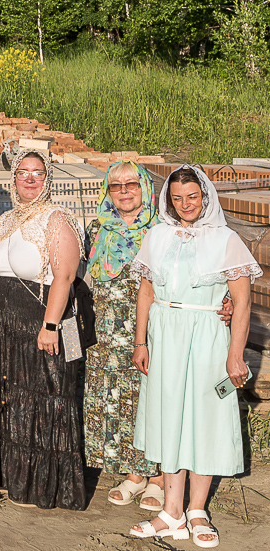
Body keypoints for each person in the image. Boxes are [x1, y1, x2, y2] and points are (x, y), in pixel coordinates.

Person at [129, 166, 260, 547]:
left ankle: (197, 509)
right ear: (168, 199)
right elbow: (146, 293)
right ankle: (171, 511)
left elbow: (242, 301)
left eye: (192, 196)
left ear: (205, 196)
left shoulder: (227, 240)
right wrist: (141, 342)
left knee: (205, 416)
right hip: (165, 333)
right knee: (169, 415)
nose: (185, 205)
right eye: (177, 198)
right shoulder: (157, 236)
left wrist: (235, 355)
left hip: (206, 335)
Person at [0, 148, 89, 510]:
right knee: (15, 400)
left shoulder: (58, 218)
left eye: (37, 172)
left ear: (48, 178)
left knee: (48, 399)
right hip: (8, 326)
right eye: (22, 171)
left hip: (44, 321)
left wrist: (50, 326)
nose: (28, 178)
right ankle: (13, 476)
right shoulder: (6, 219)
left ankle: (45, 487)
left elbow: (65, 277)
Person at [82, 161, 166, 511]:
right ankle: (134, 474)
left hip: (152, 329)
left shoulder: (162, 230)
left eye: (132, 183)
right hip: (107, 330)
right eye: (116, 186)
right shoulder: (98, 228)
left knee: (153, 398)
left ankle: (159, 477)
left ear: (145, 188)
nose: (125, 190)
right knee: (119, 400)